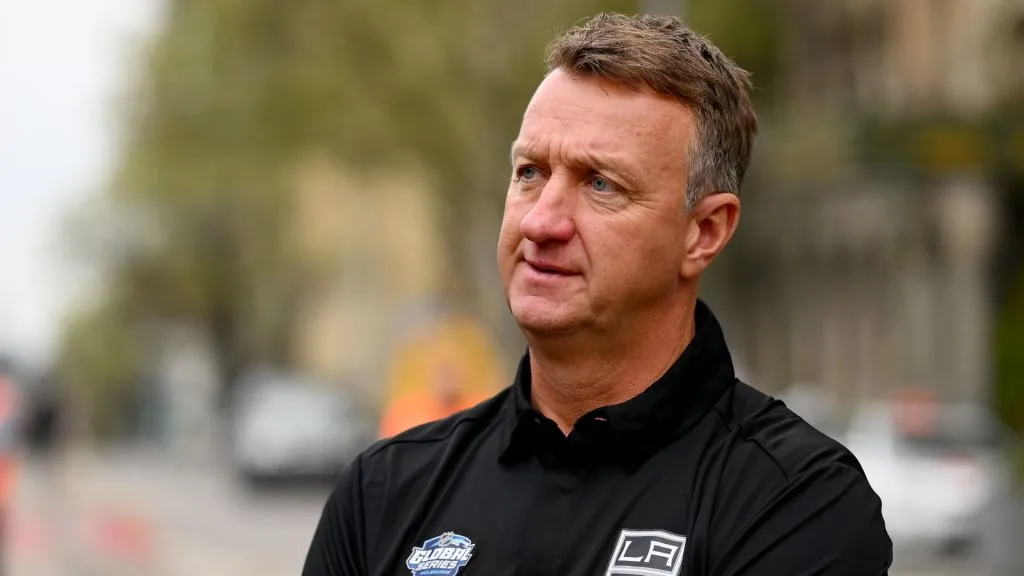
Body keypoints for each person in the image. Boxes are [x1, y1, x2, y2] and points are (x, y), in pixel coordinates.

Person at [303, 12, 892, 576]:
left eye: (601, 184)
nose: (542, 223)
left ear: (703, 232)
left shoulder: (795, 500)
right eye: (530, 173)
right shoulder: (383, 494)